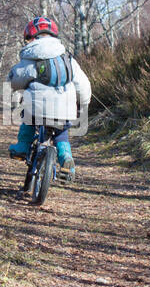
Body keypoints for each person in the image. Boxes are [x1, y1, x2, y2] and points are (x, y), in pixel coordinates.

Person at [7, 17, 91, 181]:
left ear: (32, 37)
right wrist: (83, 104)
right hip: (65, 110)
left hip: (36, 110)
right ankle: (66, 158)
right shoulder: (68, 59)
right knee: (61, 134)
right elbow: (83, 86)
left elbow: (15, 81)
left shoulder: (31, 58)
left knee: (29, 121)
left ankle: (23, 147)